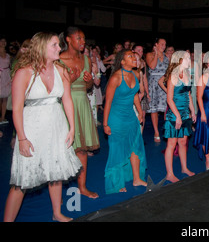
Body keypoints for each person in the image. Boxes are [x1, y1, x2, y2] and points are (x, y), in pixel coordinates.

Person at [4, 32, 82, 222]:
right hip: (32, 129)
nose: (59, 48)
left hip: (56, 125)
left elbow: (67, 101)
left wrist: (72, 128)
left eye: (59, 45)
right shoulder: (24, 72)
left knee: (55, 172)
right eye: (54, 45)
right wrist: (21, 137)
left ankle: (57, 213)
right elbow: (17, 109)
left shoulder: (61, 70)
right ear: (41, 47)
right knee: (21, 182)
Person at [59, 27, 100, 197]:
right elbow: (53, 88)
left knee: (82, 149)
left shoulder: (86, 59)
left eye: (84, 39)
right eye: (78, 38)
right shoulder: (59, 59)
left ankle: (82, 187)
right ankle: (58, 194)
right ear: (68, 39)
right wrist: (72, 80)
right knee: (63, 150)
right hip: (64, 106)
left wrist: (89, 81)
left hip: (82, 104)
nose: (83, 42)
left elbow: (88, 87)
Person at [103, 50, 147, 194]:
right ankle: (117, 183)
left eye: (134, 56)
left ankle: (137, 178)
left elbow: (134, 95)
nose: (134, 58)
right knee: (118, 150)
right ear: (122, 61)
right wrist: (105, 124)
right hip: (116, 119)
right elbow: (108, 102)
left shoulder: (135, 74)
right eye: (130, 56)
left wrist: (140, 111)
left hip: (130, 117)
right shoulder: (116, 77)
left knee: (135, 146)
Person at [163, 51, 196, 183]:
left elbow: (188, 95)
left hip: (185, 114)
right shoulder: (173, 76)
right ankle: (170, 174)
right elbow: (169, 99)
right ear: (180, 60)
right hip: (174, 114)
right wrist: (177, 116)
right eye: (187, 58)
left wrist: (192, 111)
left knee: (183, 142)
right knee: (172, 144)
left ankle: (184, 168)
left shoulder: (187, 74)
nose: (190, 60)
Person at [146, 38, 169, 142]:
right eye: (161, 44)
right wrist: (156, 53)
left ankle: (166, 129)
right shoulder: (149, 55)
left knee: (166, 108)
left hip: (164, 84)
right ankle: (156, 131)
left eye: (165, 44)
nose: (163, 46)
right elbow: (152, 66)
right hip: (154, 84)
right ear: (156, 44)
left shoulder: (167, 57)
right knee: (154, 109)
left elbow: (169, 71)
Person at [0, 36, 11, 124]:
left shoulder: (8, 55)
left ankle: (3, 117)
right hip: (0, 76)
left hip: (6, 76)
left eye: (5, 41)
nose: (3, 43)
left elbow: (9, 66)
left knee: (5, 98)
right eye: (1, 41)